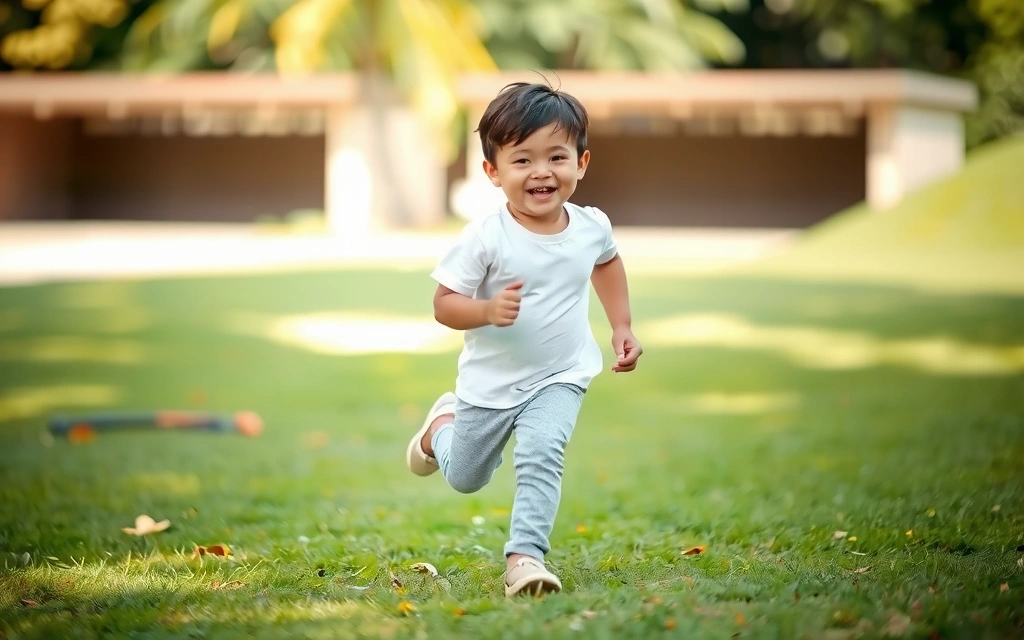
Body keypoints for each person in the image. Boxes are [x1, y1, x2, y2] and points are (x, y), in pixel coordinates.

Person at [406, 81, 643, 597]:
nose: (541, 172)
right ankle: (439, 427)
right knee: (466, 477)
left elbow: (607, 263)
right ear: (493, 172)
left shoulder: (591, 226)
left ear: (581, 162)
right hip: (490, 382)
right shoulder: (485, 237)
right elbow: (443, 304)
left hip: (561, 374)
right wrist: (487, 310)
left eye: (556, 156)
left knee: (542, 451)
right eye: (522, 160)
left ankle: (525, 558)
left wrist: (620, 325)